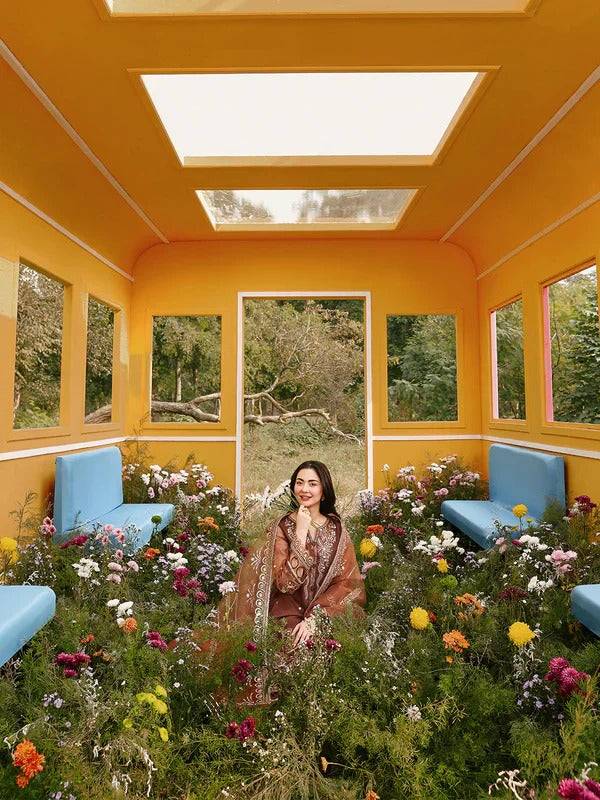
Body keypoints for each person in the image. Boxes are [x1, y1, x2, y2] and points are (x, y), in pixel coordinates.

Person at [213, 460, 366, 649]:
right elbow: (285, 584)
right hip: (286, 611)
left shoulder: (337, 530)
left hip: (326, 611)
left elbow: (348, 584)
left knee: (335, 650)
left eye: (312, 483)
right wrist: (300, 533)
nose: (304, 489)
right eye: (299, 482)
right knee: (295, 649)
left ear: (324, 491)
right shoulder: (281, 528)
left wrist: (317, 618)